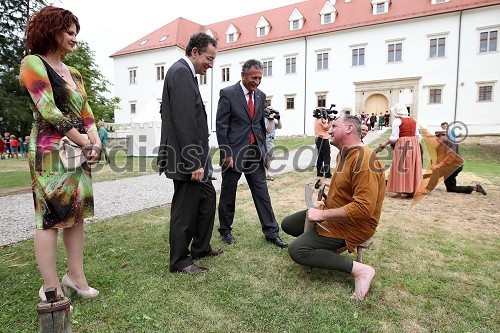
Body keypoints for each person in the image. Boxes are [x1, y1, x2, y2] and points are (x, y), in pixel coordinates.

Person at [19, 6, 101, 302]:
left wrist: (95, 142)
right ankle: (51, 286)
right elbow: (48, 109)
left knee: (76, 213)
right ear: (51, 30)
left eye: (76, 33)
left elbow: (86, 111)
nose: (75, 38)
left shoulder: (76, 73)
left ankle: (75, 278)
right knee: (50, 217)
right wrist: (83, 141)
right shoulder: (33, 63)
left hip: (78, 148)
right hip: (49, 150)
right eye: (69, 32)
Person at [281, 115, 386, 300]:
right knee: (288, 224)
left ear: (349, 129)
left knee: (298, 250)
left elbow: (364, 209)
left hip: (354, 225)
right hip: (334, 215)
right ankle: (323, 249)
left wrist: (323, 215)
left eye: (334, 126)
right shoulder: (343, 153)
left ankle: (360, 270)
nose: (329, 130)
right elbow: (348, 185)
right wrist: (329, 185)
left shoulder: (364, 160)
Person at [158, 32, 223, 274]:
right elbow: (184, 121)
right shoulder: (180, 73)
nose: (211, 64)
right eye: (209, 58)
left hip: (195, 156)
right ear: (194, 52)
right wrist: (195, 162)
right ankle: (179, 260)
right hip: (187, 159)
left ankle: (201, 247)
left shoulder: (187, 74)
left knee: (206, 198)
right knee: (184, 209)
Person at [216, 59, 288, 248]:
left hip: (255, 153)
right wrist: (226, 152)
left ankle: (272, 233)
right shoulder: (228, 94)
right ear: (243, 75)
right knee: (228, 193)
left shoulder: (261, 95)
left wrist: (264, 153)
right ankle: (225, 230)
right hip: (233, 154)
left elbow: (258, 127)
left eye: (259, 78)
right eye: (253, 77)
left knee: (262, 192)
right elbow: (221, 126)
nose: (256, 81)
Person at [378, 103, 422, 197]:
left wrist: (384, 144)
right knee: (411, 166)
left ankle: (400, 191)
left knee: (401, 166)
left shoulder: (397, 121)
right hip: (414, 143)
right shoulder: (413, 120)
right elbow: (418, 136)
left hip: (403, 143)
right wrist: (414, 143)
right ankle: (412, 190)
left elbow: (394, 137)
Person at [422, 131, 487, 195]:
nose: (437, 138)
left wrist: (438, 165)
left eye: (439, 136)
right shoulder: (440, 145)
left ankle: (428, 189)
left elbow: (451, 156)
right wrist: (435, 164)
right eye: (437, 136)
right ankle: (475, 188)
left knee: (437, 170)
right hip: (449, 166)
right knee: (451, 188)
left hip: (455, 166)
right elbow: (439, 157)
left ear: (445, 135)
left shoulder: (451, 143)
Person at [264, 107, 282, 181]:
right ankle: (266, 174)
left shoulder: (272, 120)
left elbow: (280, 127)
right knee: (269, 157)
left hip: (271, 140)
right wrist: (271, 120)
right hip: (267, 140)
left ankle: (266, 173)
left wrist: (278, 118)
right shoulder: (265, 120)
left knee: (270, 157)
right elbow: (268, 130)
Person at [314, 114, 333, 178]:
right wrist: (331, 121)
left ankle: (319, 173)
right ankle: (328, 174)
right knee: (326, 157)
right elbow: (327, 128)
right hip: (324, 140)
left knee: (320, 157)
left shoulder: (316, 120)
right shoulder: (322, 120)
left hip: (318, 139)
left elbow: (324, 127)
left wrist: (328, 120)